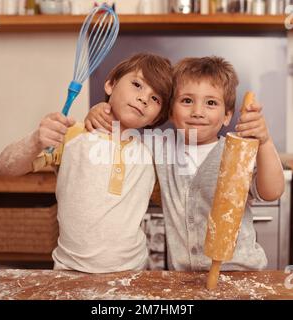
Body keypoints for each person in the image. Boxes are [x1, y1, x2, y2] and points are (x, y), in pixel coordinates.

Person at [84, 56, 285, 271]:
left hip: (240, 272)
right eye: (187, 101)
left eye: (211, 103)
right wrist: (102, 111)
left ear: (227, 115)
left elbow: (272, 191)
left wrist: (264, 141)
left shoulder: (237, 152)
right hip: (182, 276)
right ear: (170, 111)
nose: (197, 111)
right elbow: (121, 137)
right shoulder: (159, 147)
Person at [0, 53, 173, 273]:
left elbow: (172, 200)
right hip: (69, 270)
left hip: (132, 272)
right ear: (110, 84)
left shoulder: (149, 157)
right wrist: (35, 140)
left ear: (157, 118)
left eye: (155, 99)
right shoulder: (73, 135)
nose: (144, 98)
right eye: (137, 85)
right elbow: (5, 167)